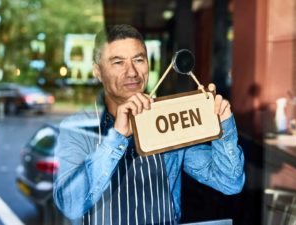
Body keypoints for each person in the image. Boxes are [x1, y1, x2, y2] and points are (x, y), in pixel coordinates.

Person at [53, 24, 245, 225]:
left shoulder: (167, 117)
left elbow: (229, 182)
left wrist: (223, 126)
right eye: (118, 62)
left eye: (139, 60)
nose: (132, 72)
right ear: (98, 71)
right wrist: (116, 136)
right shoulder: (79, 127)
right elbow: (69, 205)